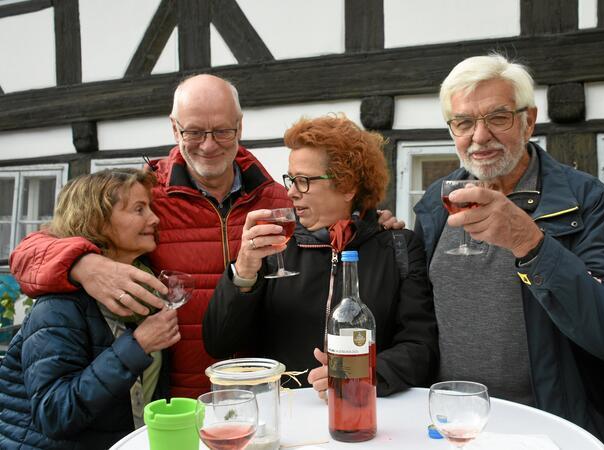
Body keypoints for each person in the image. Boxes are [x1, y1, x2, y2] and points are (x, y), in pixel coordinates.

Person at [8, 74, 292, 398]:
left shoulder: (277, 201)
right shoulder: (147, 197)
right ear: (174, 128)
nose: (209, 144)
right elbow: (27, 255)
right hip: (176, 402)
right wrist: (83, 264)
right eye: (194, 132)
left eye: (222, 131)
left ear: (239, 127)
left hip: (262, 393)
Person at [413, 54, 604, 448]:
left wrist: (530, 242)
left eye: (498, 118)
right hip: (452, 431)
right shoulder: (435, 204)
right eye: (463, 123)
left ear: (529, 121)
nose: (479, 137)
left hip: (550, 431)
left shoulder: (587, 199)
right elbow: (419, 322)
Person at [203, 115, 438, 397]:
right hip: (287, 411)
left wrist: (358, 374)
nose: (291, 192)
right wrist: (243, 272)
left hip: (364, 410)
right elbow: (219, 343)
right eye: (291, 179)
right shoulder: (273, 248)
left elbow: (420, 348)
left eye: (303, 181)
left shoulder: (400, 247)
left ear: (348, 186)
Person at [0, 169, 179, 449]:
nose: (154, 219)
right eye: (139, 209)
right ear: (98, 220)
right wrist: (138, 345)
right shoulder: (58, 305)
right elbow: (53, 413)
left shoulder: (147, 287)